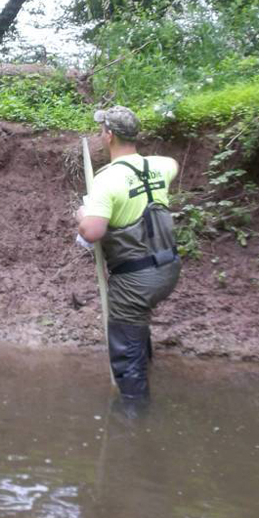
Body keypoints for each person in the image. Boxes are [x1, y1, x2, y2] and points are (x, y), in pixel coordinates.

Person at [76, 105, 181, 399]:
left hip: (136, 280)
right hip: (168, 269)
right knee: (138, 322)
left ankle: (133, 416)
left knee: (126, 355)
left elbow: (92, 232)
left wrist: (82, 215)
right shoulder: (160, 166)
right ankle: (145, 363)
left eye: (101, 130)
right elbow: (174, 164)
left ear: (109, 135)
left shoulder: (106, 180)